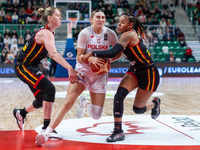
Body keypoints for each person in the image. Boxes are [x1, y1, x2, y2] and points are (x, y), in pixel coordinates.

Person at [35, 9, 120, 146]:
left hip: (100, 74)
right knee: (68, 103)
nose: (101, 20)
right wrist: (90, 59)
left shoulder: (110, 34)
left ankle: (84, 102)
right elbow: (79, 58)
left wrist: (109, 61)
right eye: (98, 17)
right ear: (91, 20)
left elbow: (118, 53)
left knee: (96, 115)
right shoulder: (85, 33)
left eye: (103, 17)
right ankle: (47, 133)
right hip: (83, 71)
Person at [84, 12, 161, 142]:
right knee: (118, 96)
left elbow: (113, 52)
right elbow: (116, 54)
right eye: (118, 21)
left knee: (138, 109)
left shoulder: (129, 35)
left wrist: (92, 53)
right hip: (135, 70)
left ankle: (155, 103)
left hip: (149, 73)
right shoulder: (123, 36)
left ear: (130, 25)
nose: (119, 24)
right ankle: (118, 130)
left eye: (122, 22)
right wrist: (108, 61)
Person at [13, 6, 79, 136]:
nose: (61, 17)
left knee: (41, 99)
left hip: (32, 66)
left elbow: (51, 53)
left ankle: (20, 113)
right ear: (50, 18)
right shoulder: (45, 33)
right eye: (58, 15)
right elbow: (53, 54)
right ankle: (46, 127)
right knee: (50, 89)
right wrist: (70, 68)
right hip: (23, 66)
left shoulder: (50, 33)